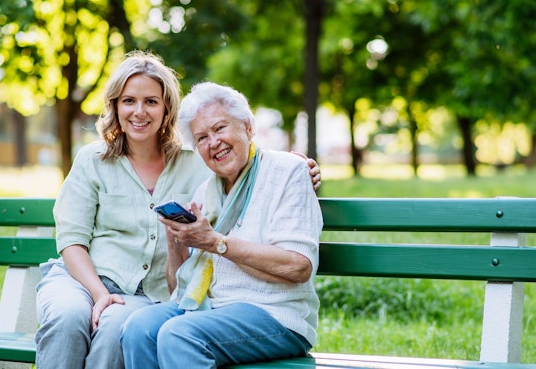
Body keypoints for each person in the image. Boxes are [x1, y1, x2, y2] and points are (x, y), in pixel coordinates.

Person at [34, 52, 321, 369]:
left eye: (151, 102)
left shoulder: (197, 161)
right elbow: (71, 238)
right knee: (68, 319)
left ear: (166, 107)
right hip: (84, 279)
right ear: (115, 106)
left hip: (166, 297)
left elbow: (251, 160)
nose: (139, 111)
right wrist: (101, 293)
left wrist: (297, 164)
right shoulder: (94, 159)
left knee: (120, 327)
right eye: (128, 100)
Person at [121, 82, 323, 368]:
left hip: (274, 315)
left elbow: (298, 267)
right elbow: (179, 289)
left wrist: (214, 241)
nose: (213, 142)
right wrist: (176, 238)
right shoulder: (206, 191)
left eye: (219, 129)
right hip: (211, 311)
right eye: (202, 138)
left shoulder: (288, 171)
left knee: (180, 334)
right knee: (138, 327)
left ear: (248, 128)